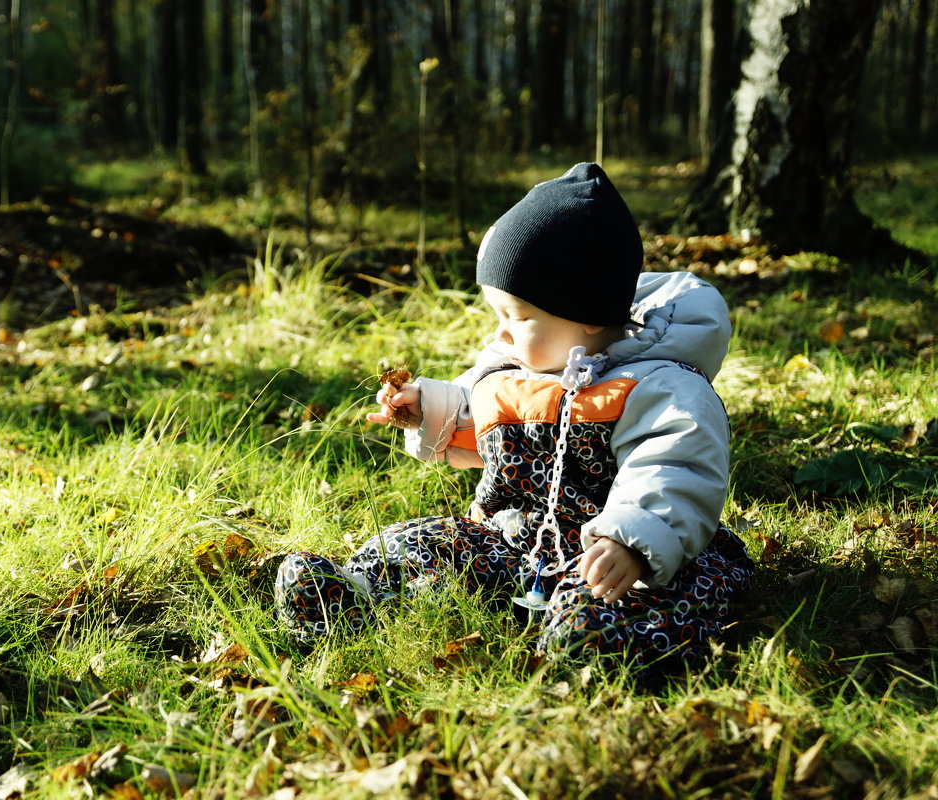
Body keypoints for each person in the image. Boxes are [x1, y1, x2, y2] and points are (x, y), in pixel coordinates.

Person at [274, 162, 754, 672]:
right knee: (424, 542)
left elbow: (676, 468)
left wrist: (633, 539)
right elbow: (478, 417)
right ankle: (355, 597)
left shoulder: (662, 388)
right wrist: (427, 410)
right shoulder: (514, 366)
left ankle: (593, 639)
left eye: (517, 317)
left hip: (615, 555)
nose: (500, 333)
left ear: (588, 314)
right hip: (512, 538)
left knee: (633, 599)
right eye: (498, 315)